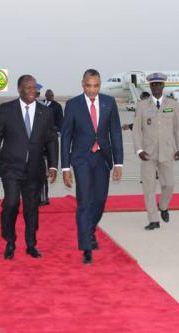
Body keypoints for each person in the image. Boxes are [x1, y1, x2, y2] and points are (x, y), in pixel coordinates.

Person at [0, 75, 58, 260]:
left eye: (35, 88)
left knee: (31, 208)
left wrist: (53, 165)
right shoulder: (6, 110)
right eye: (28, 88)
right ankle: (10, 241)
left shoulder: (45, 112)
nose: (33, 91)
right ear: (19, 89)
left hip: (35, 169)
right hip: (11, 166)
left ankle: (31, 244)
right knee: (11, 203)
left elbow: (51, 140)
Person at [61, 69, 123, 265]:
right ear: (82, 84)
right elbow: (66, 137)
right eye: (88, 86)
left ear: (99, 85)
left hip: (102, 159)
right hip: (81, 159)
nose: (92, 90)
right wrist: (65, 167)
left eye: (96, 86)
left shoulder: (109, 103)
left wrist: (118, 162)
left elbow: (115, 133)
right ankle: (86, 247)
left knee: (100, 201)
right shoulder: (72, 105)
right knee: (85, 200)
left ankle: (89, 229)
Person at [132, 72, 179, 231]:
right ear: (150, 86)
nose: (156, 87)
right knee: (149, 187)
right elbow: (136, 130)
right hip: (148, 152)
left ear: (163, 86)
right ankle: (153, 219)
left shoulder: (172, 104)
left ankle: (164, 206)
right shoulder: (142, 105)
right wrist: (139, 149)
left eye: (159, 84)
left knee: (169, 184)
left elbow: (178, 129)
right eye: (153, 84)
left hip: (167, 151)